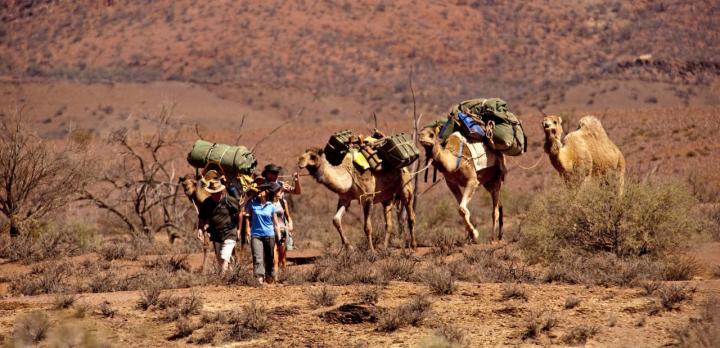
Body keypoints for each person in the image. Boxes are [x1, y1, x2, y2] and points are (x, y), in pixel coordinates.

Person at [196, 175, 240, 275]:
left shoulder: (230, 201)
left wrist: (238, 228)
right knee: (220, 259)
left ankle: (222, 280)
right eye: (213, 193)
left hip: (230, 232)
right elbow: (202, 217)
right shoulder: (206, 203)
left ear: (221, 191)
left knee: (225, 256)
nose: (216, 195)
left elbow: (239, 214)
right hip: (216, 234)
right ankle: (230, 275)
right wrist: (200, 229)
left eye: (217, 193)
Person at [245, 182, 281, 284]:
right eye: (259, 191)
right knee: (257, 257)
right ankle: (259, 278)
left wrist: (279, 236)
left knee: (269, 257)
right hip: (256, 235)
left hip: (269, 235)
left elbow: (276, 223)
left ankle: (269, 275)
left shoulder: (271, 206)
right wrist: (247, 230)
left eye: (262, 190)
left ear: (267, 193)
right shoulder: (252, 204)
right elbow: (246, 214)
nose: (259, 192)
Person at [261, 164, 300, 250]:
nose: (275, 176)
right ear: (267, 174)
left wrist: (296, 180)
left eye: (276, 173)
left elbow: (296, 191)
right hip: (266, 220)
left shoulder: (280, 183)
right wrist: (281, 189)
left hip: (280, 220)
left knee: (281, 248)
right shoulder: (262, 185)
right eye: (273, 173)